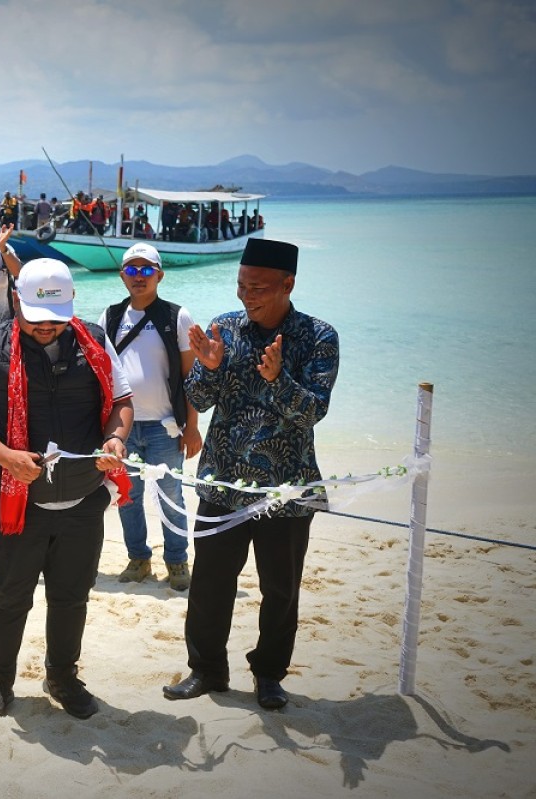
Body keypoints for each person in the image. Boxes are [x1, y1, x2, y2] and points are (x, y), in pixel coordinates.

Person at [162, 238, 339, 711]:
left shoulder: (319, 337)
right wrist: (211, 367)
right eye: (241, 285)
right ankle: (206, 669)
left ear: (288, 284)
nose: (247, 296)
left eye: (258, 287)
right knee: (210, 583)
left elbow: (313, 412)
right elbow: (197, 400)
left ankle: (269, 676)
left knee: (280, 589)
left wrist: (277, 379)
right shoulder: (224, 328)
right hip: (223, 481)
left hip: (288, 486)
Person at [0, 259, 133, 719]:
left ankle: (63, 676)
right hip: (20, 503)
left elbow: (121, 402)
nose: (47, 327)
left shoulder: (93, 341)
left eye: (56, 318)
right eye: (36, 319)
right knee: (10, 596)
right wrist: (6, 457)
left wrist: (115, 438)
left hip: (82, 501)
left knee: (71, 596)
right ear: (17, 302)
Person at [99, 243, 201, 591]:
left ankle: (177, 562)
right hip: (121, 430)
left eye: (146, 270)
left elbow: (191, 378)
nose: (139, 277)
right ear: (122, 275)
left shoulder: (176, 316)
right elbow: (101, 376)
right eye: (132, 269)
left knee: (172, 497)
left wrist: (193, 427)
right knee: (127, 498)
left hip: (165, 426)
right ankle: (139, 559)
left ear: (160, 275)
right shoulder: (110, 317)